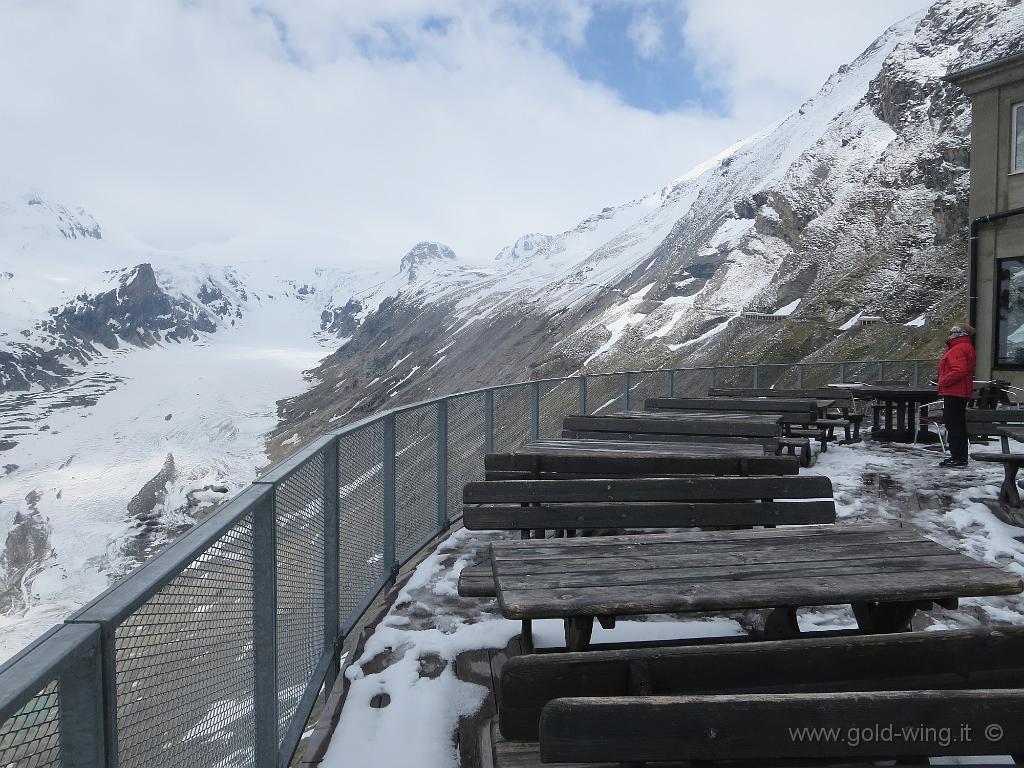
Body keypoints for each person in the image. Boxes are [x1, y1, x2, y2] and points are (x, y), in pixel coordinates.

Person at [937, 322, 976, 467]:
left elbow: (959, 370)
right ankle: (959, 456)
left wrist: (943, 382)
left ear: (958, 334)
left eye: (951, 332)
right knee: (957, 424)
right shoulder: (965, 347)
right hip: (961, 391)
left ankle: (957, 457)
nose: (949, 334)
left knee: (953, 424)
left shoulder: (957, 349)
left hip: (954, 391)